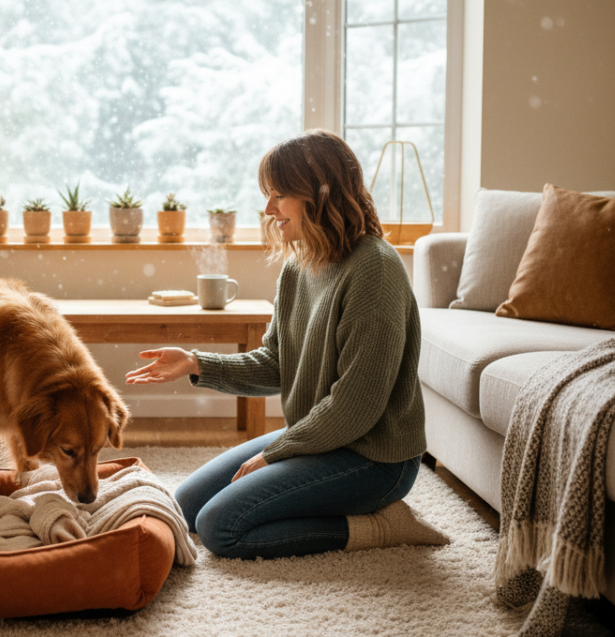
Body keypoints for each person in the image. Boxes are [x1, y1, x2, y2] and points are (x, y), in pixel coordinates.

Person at [125, 129, 448, 559]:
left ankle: (382, 525)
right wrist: (195, 363)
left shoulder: (376, 270)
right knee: (185, 507)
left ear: (320, 194)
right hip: (320, 438)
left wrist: (276, 453)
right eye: (268, 195)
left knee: (220, 528)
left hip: (373, 459)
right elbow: (276, 363)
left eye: (279, 195)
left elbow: (355, 406)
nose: (268, 209)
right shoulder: (299, 266)